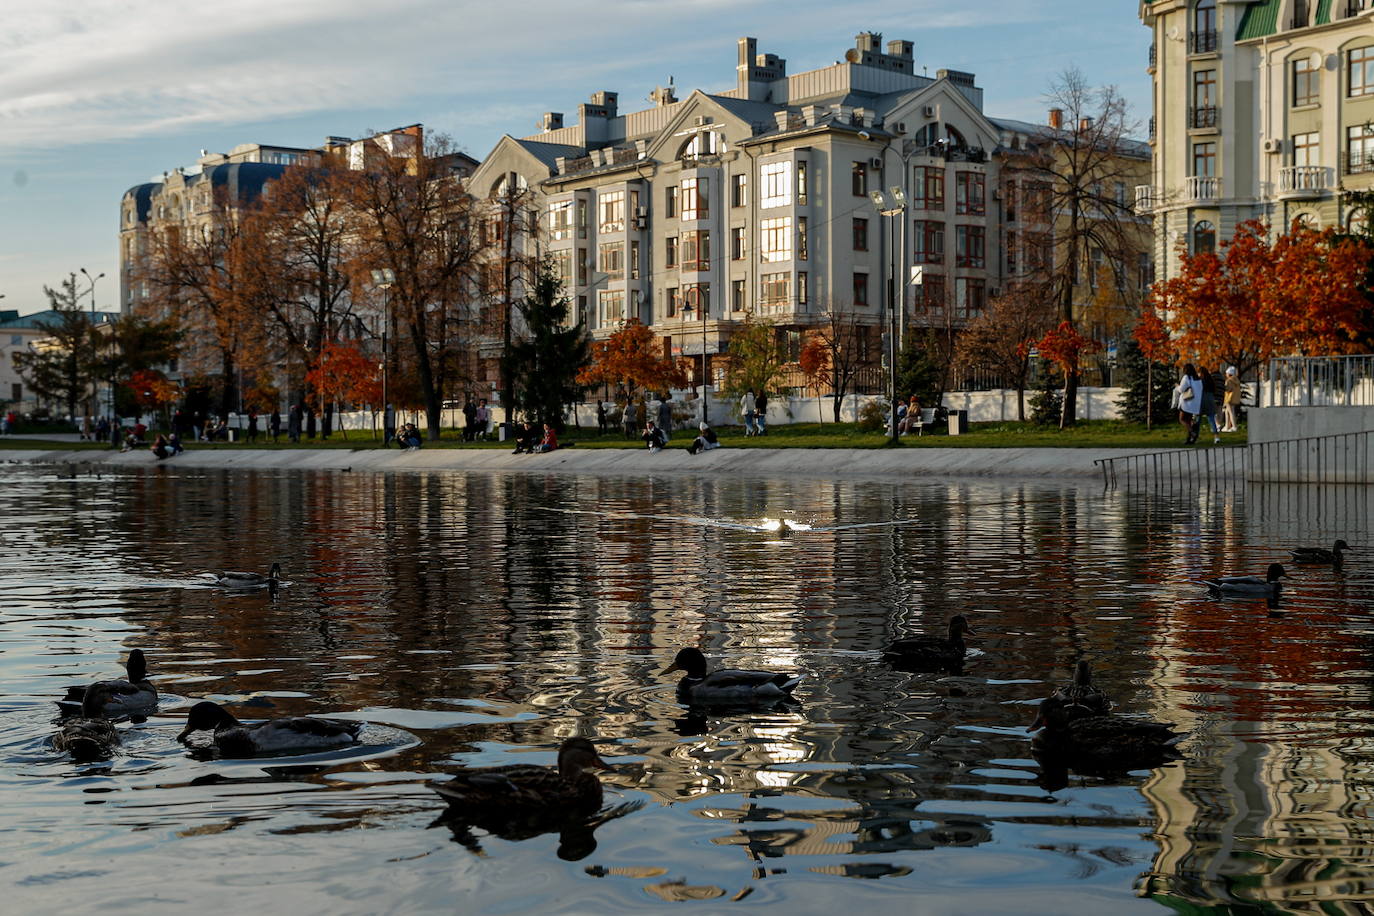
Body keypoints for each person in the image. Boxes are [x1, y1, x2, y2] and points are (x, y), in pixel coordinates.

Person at [1176, 363, 1202, 445]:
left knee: (1182, 419)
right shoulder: (1198, 379)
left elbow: (1181, 389)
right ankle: (1189, 439)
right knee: (1189, 421)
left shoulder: (1186, 377)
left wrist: (1177, 386)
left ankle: (1192, 433)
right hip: (1195, 404)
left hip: (1187, 402)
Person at [1198, 365, 1221, 445]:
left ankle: (1195, 436)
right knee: (1211, 420)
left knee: (1198, 420)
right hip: (1210, 400)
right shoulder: (1211, 380)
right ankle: (1216, 436)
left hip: (1202, 400)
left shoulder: (1200, 381)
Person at [1222, 366, 1242, 433]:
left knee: (1230, 412)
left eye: (1226, 373)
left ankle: (1234, 426)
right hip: (1235, 398)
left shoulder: (1229, 380)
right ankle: (1227, 426)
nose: (1226, 374)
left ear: (1229, 374)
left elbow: (1227, 389)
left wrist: (1224, 387)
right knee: (1227, 412)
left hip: (1229, 398)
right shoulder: (1237, 380)